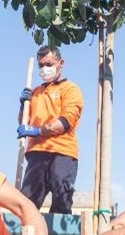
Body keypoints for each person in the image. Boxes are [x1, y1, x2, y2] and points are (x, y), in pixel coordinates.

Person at [16, 45, 84, 214]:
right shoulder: (36, 92)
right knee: (27, 204)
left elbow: (65, 122)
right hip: (36, 153)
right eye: (41, 65)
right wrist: (22, 105)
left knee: (61, 200)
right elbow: (24, 121)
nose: (45, 69)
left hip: (62, 152)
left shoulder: (70, 89)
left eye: (49, 64)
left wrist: (37, 131)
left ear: (61, 63)